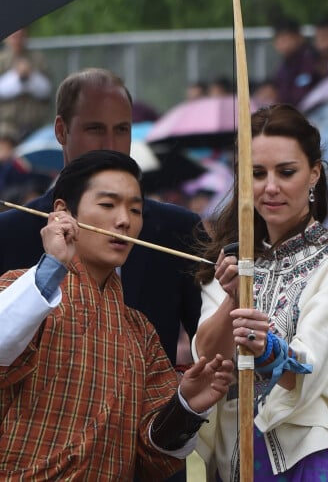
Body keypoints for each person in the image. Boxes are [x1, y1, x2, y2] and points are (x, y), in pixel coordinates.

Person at [0, 150, 234, 479]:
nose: (124, 220)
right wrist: (53, 264)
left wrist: (186, 406)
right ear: (63, 213)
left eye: (135, 209)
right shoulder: (18, 288)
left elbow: (152, 455)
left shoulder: (140, 331)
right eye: (108, 205)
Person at [191, 103, 328, 480]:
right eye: (257, 174)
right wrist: (232, 300)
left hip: (303, 460)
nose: (270, 187)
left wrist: (266, 346)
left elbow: (308, 369)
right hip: (232, 462)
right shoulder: (230, 258)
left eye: (286, 172)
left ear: (314, 174)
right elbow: (208, 359)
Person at [0, 68, 207, 367]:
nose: (111, 143)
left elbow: (210, 348)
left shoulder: (178, 231)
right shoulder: (10, 233)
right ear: (61, 131)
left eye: (123, 129)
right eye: (95, 129)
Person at [272, 18, 320, 107]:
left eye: (286, 39)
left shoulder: (312, 60)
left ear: (299, 38)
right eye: (280, 40)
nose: (284, 45)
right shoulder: (283, 67)